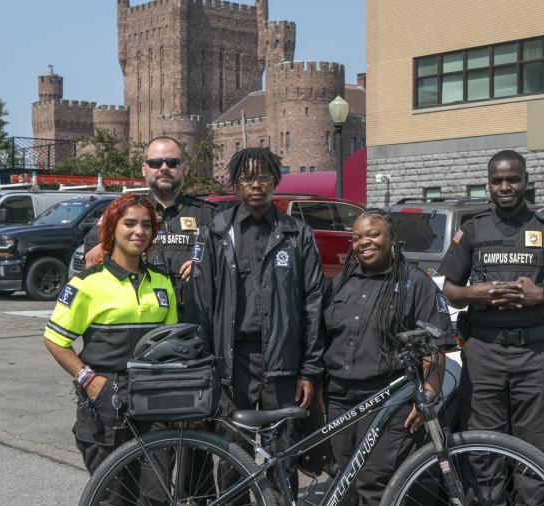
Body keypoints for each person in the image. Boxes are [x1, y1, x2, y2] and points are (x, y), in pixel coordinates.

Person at [439, 149, 544, 501]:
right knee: (482, 456)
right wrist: (478, 292)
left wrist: (541, 296)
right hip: (484, 354)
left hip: (534, 355)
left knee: (535, 454)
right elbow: (450, 291)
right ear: (488, 185)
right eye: (497, 181)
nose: (505, 186)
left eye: (512, 179)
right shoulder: (472, 230)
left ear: (526, 182)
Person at [185, 147, 324, 495]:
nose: (256, 185)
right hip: (234, 366)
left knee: (284, 457)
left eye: (263, 177)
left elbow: (313, 305)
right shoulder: (216, 233)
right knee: (234, 457)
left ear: (275, 181)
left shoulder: (298, 234)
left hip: (284, 365)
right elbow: (200, 305)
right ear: (236, 183)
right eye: (247, 178)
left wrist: (310, 370)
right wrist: (206, 368)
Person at [323, 210, 452, 505]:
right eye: (357, 238)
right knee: (345, 482)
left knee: (375, 482)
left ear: (391, 238)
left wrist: (429, 393)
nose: (364, 242)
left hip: (387, 400)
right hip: (339, 398)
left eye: (373, 234)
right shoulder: (341, 282)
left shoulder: (416, 283)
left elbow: (435, 345)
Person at [44, 193, 177, 478]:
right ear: (112, 228)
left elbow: (170, 343)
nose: (139, 231)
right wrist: (88, 380)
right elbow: (55, 339)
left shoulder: (163, 282)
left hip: (152, 399)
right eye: (129, 223)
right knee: (113, 495)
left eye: (146, 225)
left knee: (158, 493)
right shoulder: (87, 283)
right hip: (106, 400)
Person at [84, 136, 219, 318]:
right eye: (155, 163)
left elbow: (229, 268)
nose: (164, 168)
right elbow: (92, 261)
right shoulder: (120, 213)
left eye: (172, 162)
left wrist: (205, 266)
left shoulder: (209, 215)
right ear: (144, 169)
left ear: (184, 168)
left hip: (190, 323)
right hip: (136, 320)